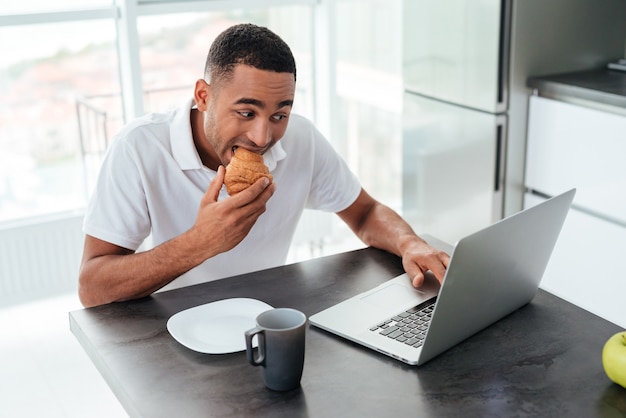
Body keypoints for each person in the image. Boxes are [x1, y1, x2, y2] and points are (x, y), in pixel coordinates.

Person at [78, 23, 450, 308]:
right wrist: (199, 243)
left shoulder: (300, 138)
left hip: (267, 314)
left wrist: (410, 243)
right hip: (169, 326)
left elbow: (365, 212)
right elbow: (93, 287)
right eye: (246, 111)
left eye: (279, 114)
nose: (261, 136)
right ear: (204, 96)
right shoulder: (139, 147)